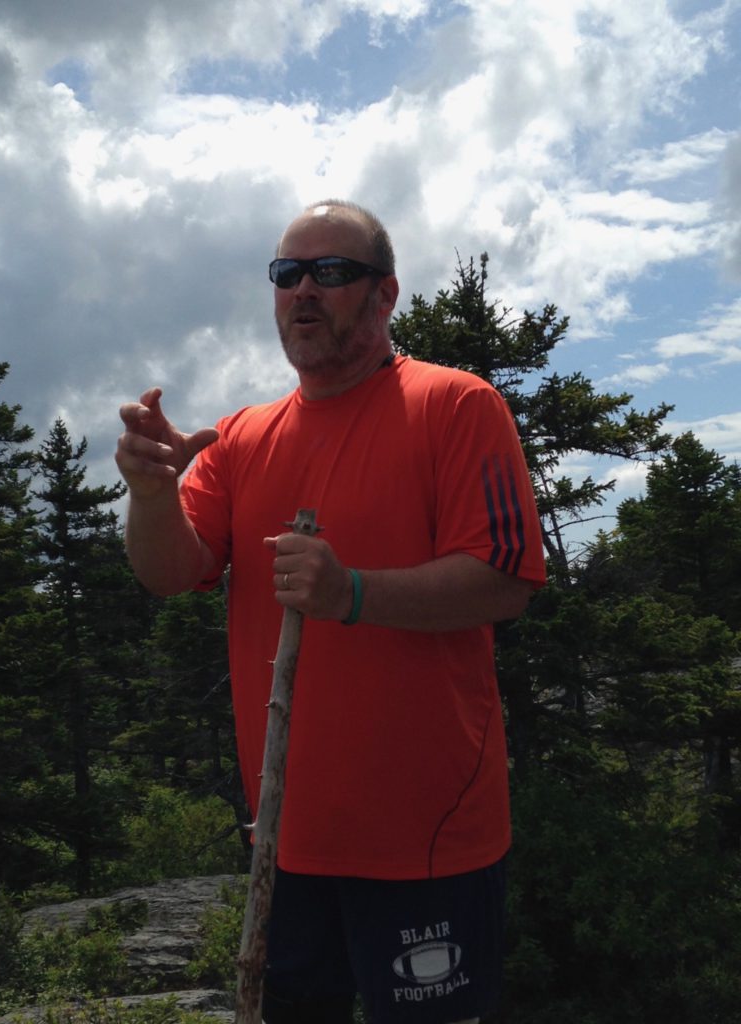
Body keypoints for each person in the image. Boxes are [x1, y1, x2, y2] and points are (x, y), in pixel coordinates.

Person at [115, 200, 546, 1024]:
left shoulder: (457, 406)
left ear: (385, 295)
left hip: (429, 841)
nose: (303, 290)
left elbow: (506, 579)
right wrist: (152, 494)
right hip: (285, 839)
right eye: (287, 273)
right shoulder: (241, 439)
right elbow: (168, 573)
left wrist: (352, 593)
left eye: (331, 271)